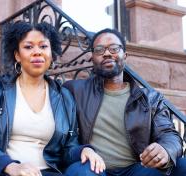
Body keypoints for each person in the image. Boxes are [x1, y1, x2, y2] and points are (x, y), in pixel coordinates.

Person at [0, 21, 105, 176]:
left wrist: (84, 150)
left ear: (52, 54)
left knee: (91, 171)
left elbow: (68, 147)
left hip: (48, 172)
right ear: (17, 55)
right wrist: (11, 166)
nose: (37, 52)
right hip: (5, 171)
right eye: (28, 47)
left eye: (43, 46)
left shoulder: (64, 97)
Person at [63, 28, 186, 176]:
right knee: (79, 171)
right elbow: (65, 137)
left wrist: (166, 149)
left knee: (181, 165)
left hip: (137, 169)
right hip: (94, 169)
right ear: (93, 58)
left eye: (114, 48)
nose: (107, 53)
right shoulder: (75, 91)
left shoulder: (150, 99)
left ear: (125, 55)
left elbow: (168, 133)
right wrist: (81, 150)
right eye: (99, 50)